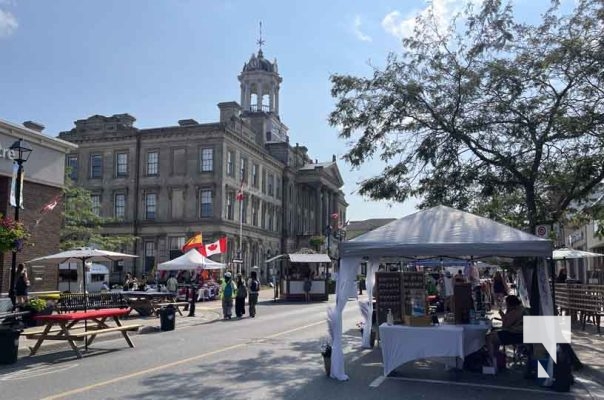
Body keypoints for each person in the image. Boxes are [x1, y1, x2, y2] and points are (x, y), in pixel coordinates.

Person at [486, 295, 525, 363]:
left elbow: (505, 324)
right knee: (494, 332)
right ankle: (496, 356)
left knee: (489, 337)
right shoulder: (520, 309)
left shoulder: (516, 311)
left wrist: (502, 314)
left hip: (515, 334)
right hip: (518, 333)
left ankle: (492, 360)